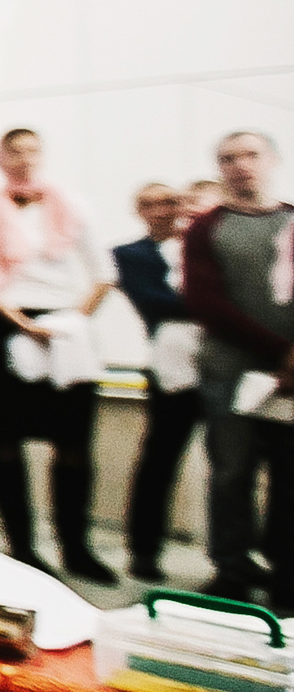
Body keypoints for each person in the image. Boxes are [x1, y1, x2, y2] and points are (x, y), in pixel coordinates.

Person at [0, 127, 117, 581]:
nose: (25, 160)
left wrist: (72, 320)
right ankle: (21, 548)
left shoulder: (70, 204)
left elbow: (104, 274)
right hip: (3, 319)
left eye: (33, 151)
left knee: (74, 443)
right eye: (15, 151)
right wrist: (17, 320)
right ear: (0, 157)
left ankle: (77, 547)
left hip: (64, 325)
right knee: (5, 441)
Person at [181, 131, 294, 610]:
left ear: (272, 160)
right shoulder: (207, 228)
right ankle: (231, 571)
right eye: (228, 158)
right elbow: (205, 301)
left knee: (290, 476)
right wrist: (280, 350)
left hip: (291, 377)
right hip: (230, 372)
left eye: (250, 155)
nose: (240, 165)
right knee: (230, 473)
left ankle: (287, 573)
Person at [114, 182, 202, 582]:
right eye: (150, 203)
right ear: (138, 210)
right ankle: (144, 549)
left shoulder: (200, 248)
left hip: (223, 360)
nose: (162, 210)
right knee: (159, 459)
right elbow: (153, 300)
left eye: (169, 201)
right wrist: (216, 304)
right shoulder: (130, 254)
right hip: (169, 363)